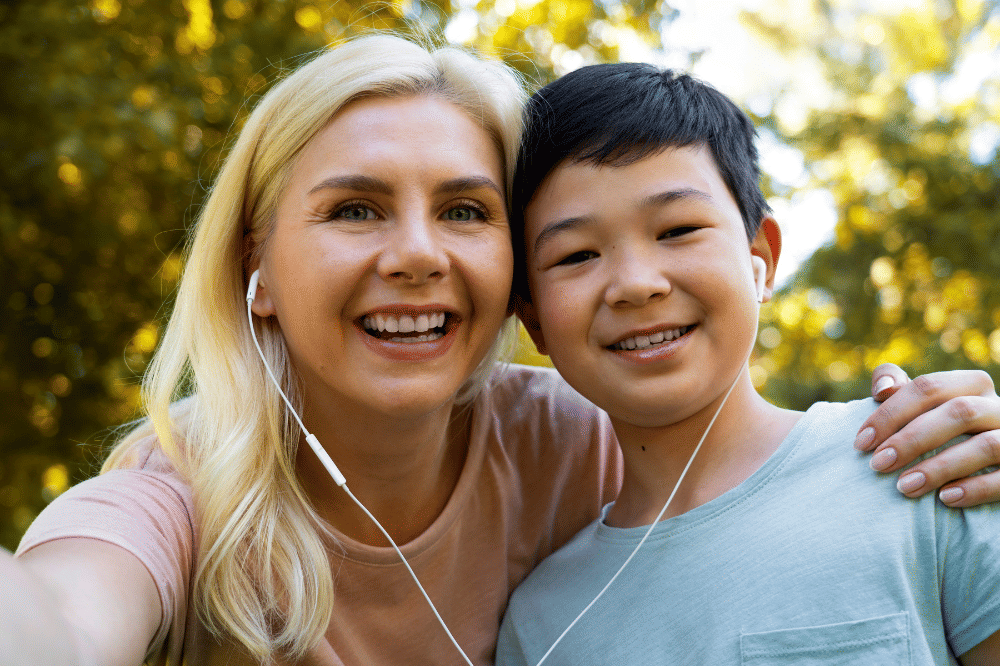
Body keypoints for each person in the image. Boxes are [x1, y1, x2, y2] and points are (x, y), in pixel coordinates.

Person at [1, 34, 998, 666]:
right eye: (355, 208)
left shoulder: (573, 437)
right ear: (254, 263)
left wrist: (954, 426)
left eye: (465, 210)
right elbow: (65, 619)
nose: (417, 254)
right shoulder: (178, 494)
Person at [496, 63, 1000, 665]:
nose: (635, 284)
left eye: (678, 229)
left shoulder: (925, 465)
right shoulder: (541, 623)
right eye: (577, 254)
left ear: (760, 259)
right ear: (532, 319)